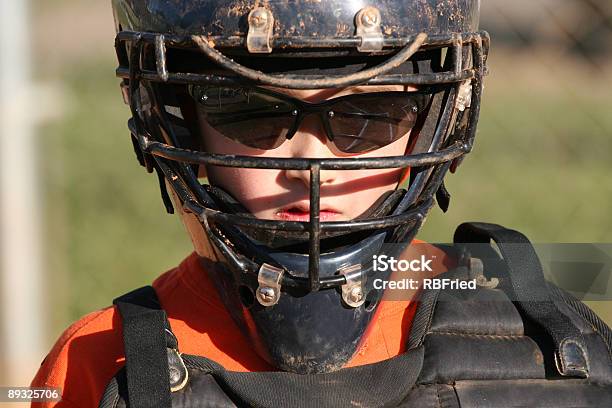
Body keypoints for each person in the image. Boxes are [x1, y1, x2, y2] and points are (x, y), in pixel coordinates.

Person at [31, 1, 612, 407]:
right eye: (252, 113)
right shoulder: (98, 361)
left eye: (368, 116)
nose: (312, 163)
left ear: (434, 123)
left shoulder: (547, 336)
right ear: (179, 124)